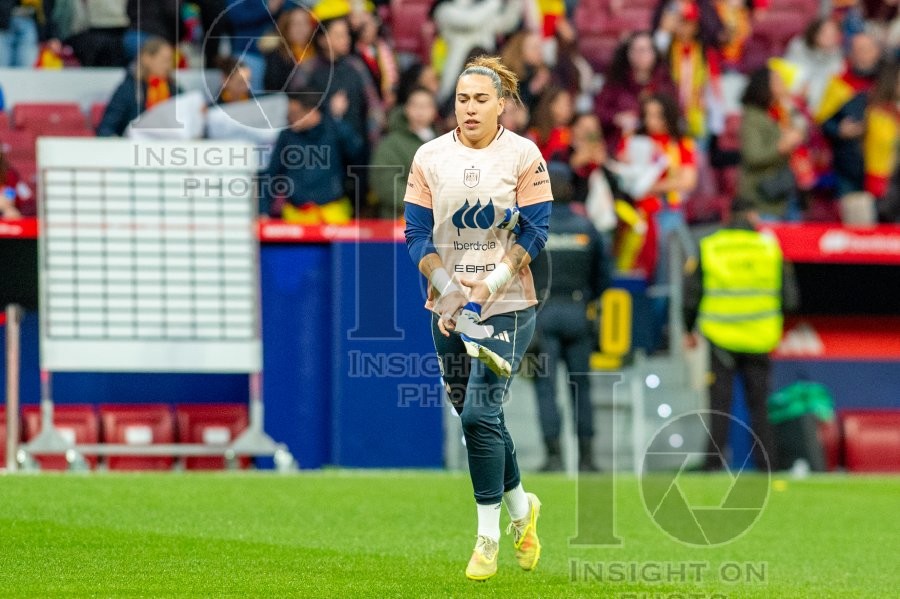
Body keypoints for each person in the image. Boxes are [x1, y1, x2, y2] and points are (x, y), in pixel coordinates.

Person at [403, 55, 551, 581]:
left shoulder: (524, 155)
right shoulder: (429, 157)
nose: (469, 108)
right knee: (484, 419)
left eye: (480, 99)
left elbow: (535, 232)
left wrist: (485, 288)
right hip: (446, 305)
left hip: (508, 304)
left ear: (502, 104)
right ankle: (521, 511)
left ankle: (487, 538)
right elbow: (416, 235)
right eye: (462, 99)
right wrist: (448, 291)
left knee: (475, 417)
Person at [683, 196, 798, 471]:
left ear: (727, 215)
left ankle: (713, 462)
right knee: (760, 404)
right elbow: (790, 299)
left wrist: (689, 329)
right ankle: (767, 463)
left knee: (719, 404)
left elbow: (691, 295)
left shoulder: (711, 247)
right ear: (753, 217)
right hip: (760, 336)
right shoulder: (769, 249)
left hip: (720, 337)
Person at [529, 162, 609, 472]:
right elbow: (604, 276)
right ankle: (587, 458)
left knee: (545, 388)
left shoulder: (533, 228)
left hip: (542, 315)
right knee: (582, 387)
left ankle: (553, 457)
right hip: (578, 313)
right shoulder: (586, 228)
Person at [258, 90, 364, 224]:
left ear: (311, 112)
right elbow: (271, 175)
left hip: (333, 213)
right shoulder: (286, 137)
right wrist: (263, 211)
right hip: (296, 214)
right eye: (288, 113)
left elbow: (358, 154)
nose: (289, 119)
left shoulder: (335, 130)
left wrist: (337, 120)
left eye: (294, 114)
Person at [817, 31, 884, 197]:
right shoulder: (839, 83)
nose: (863, 55)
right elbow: (824, 121)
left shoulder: (887, 82)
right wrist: (839, 130)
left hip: (885, 166)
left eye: (868, 49)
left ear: (877, 51)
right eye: (858, 50)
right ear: (851, 54)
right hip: (849, 164)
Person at [738, 66, 806, 220]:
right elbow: (753, 156)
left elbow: (803, 129)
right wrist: (781, 147)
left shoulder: (783, 111)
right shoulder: (753, 118)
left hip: (788, 191)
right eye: (778, 81)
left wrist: (790, 105)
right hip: (764, 198)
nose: (783, 85)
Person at [594, 31, 677, 151]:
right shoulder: (616, 80)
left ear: (654, 53)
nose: (639, 55)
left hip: (660, 146)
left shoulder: (664, 82)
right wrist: (617, 118)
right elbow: (598, 112)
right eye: (634, 50)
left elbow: (674, 116)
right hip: (621, 144)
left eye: (643, 50)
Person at [370, 86, 437, 219]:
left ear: (434, 111)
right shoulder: (391, 144)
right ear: (406, 109)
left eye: (425, 106)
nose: (420, 111)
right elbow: (385, 183)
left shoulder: (443, 143)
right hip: (400, 220)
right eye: (415, 106)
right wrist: (422, 203)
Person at [96, 37, 178, 137]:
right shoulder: (128, 89)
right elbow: (106, 128)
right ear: (146, 58)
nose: (168, 66)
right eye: (164, 60)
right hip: (132, 147)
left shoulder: (175, 89)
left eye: (170, 61)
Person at [783, 17, 845, 115]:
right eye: (825, 32)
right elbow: (788, 74)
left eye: (833, 34)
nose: (828, 37)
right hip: (791, 101)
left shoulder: (837, 59)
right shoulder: (798, 48)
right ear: (815, 32)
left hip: (817, 110)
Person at [262, 6, 315, 94]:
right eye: (296, 24)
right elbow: (274, 89)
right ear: (286, 27)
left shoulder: (318, 51)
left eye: (306, 23)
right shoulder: (276, 56)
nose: (301, 29)